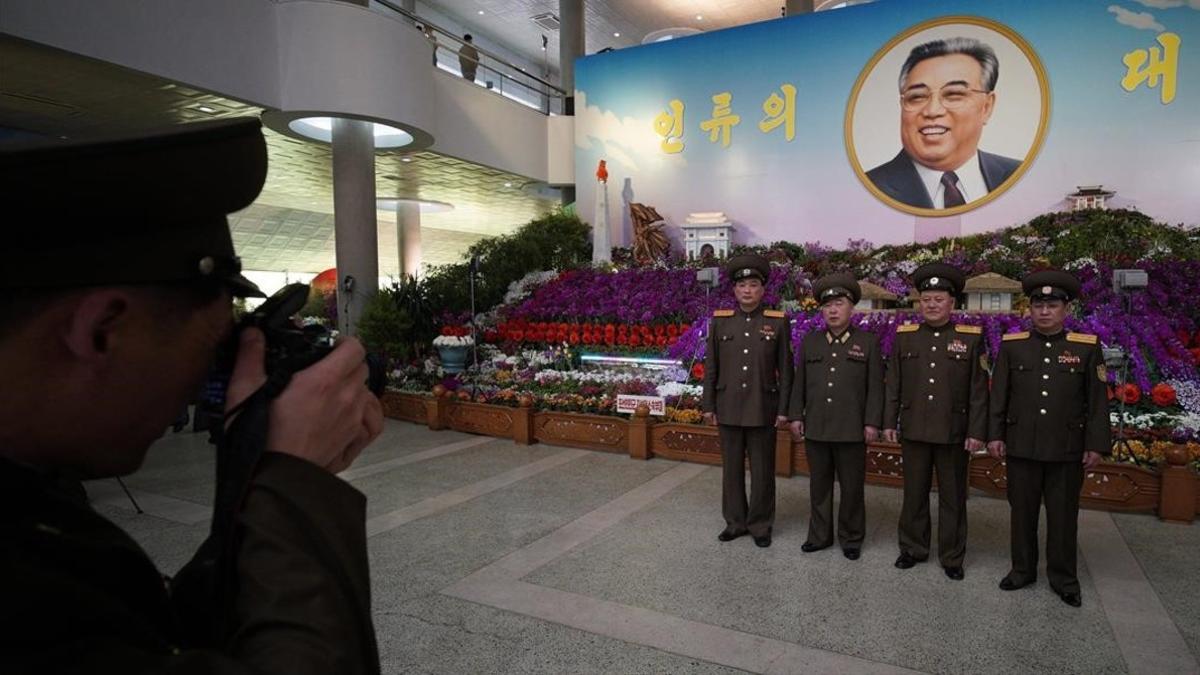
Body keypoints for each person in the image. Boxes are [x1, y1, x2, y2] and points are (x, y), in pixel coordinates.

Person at [0, 119, 385, 672]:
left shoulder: (37, 500)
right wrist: (291, 480)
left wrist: (253, 478)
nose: (207, 381)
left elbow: (159, 638)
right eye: (211, 348)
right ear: (102, 330)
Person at [987, 270, 1110, 607]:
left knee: (1063, 516)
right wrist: (994, 435)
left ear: (1065, 310)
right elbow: (999, 395)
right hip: (1021, 444)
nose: (1043, 311)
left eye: (1052, 305)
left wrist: (1096, 443)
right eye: (1038, 305)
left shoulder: (1085, 348)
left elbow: (1098, 400)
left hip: (1066, 448)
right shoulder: (1013, 347)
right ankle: (1022, 570)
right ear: (1029, 309)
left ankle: (1064, 578)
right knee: (1021, 513)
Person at [883, 263, 988, 580]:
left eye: (938, 299)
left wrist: (977, 431)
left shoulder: (970, 339)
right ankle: (913, 548)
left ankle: (952, 556)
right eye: (926, 299)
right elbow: (894, 384)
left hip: (953, 432)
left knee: (953, 498)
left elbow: (979, 391)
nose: (931, 304)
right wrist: (890, 422)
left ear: (952, 303)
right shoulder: (905, 338)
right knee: (913, 494)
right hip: (914, 429)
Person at [788, 273, 883, 560]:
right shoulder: (811, 342)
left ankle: (852, 538)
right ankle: (819, 535)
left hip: (852, 429)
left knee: (852, 488)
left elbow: (876, 387)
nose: (832, 310)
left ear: (851, 308)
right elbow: (799, 382)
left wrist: (872, 422)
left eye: (839, 304)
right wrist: (796, 416)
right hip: (817, 426)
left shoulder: (867, 342)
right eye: (827, 305)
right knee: (819, 486)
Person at [865, 37, 1021, 209]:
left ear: (986, 106)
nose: (932, 111)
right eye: (917, 97)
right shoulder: (865, 189)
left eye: (953, 94)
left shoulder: (1020, 175)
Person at [702, 254, 792, 548]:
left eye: (753, 285)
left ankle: (761, 524)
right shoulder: (720, 323)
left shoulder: (777, 323)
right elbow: (711, 367)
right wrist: (708, 405)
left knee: (763, 470)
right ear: (734, 290)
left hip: (762, 408)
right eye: (742, 285)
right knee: (731, 471)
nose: (747, 290)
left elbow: (786, 370)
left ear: (763, 289)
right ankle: (735, 522)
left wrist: (783, 410)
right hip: (728, 407)